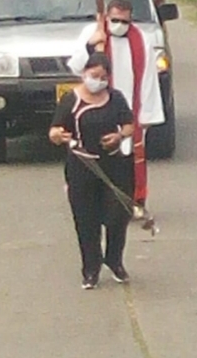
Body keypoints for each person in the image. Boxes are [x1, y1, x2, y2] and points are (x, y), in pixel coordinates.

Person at [68, 0, 164, 214]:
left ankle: (133, 202)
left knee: (127, 160)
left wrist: (147, 115)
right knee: (98, 155)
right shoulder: (92, 32)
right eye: (115, 20)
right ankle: (95, 202)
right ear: (106, 17)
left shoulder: (141, 40)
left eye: (125, 21)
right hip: (99, 106)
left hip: (128, 106)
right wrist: (91, 45)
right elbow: (75, 67)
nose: (120, 25)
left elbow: (148, 78)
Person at [50, 52, 135, 289]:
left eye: (103, 77)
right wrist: (58, 136)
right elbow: (55, 131)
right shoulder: (70, 100)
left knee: (118, 216)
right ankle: (90, 269)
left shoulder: (115, 98)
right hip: (82, 167)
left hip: (114, 167)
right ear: (84, 73)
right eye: (93, 75)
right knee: (86, 221)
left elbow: (129, 124)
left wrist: (119, 136)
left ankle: (115, 260)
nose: (97, 81)